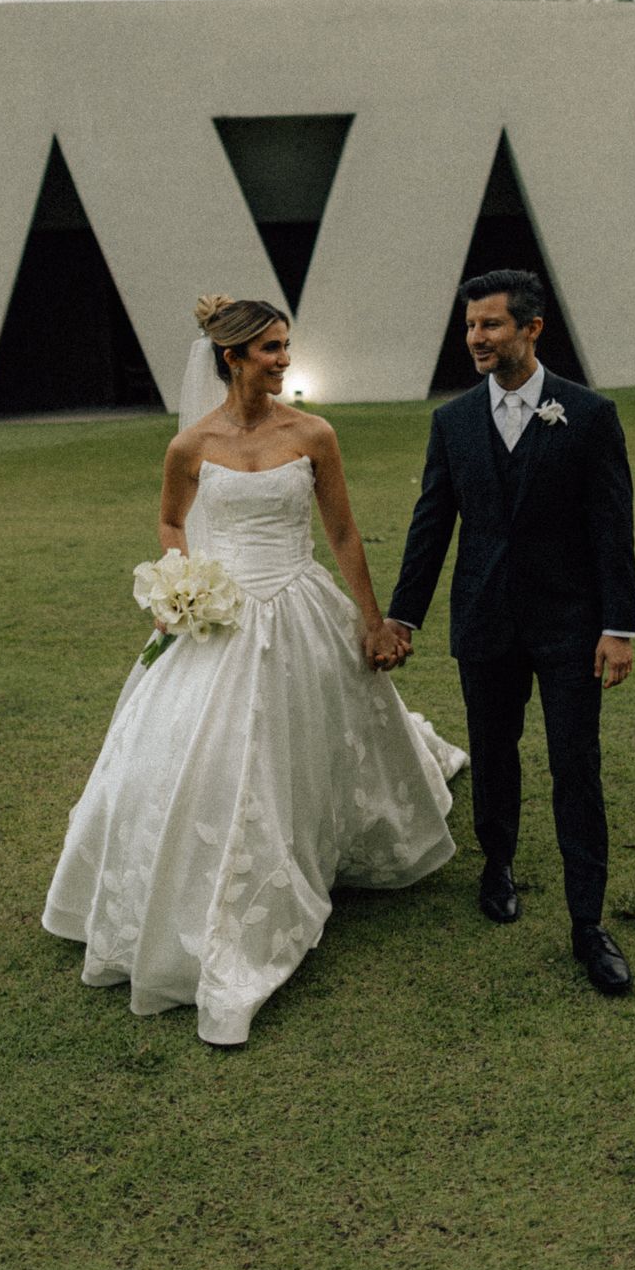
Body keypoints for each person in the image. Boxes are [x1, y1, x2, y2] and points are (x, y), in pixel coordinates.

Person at [42, 295, 466, 1046]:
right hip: (222, 614)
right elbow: (173, 522)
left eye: (285, 345)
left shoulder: (312, 433)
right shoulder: (190, 446)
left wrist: (371, 620)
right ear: (231, 357)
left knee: (305, 738)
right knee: (209, 755)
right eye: (269, 348)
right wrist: (181, 585)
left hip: (300, 603)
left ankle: (319, 847)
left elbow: (339, 530)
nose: (283, 360)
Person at [386, 269, 635, 995]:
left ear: (531, 329)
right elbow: (431, 525)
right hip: (484, 620)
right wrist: (403, 616)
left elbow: (610, 530)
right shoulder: (453, 421)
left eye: (490, 325)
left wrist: (617, 629)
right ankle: (495, 867)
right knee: (494, 755)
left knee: (574, 765)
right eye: (470, 326)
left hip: (570, 626)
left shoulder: (588, 415)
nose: (475, 338)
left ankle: (587, 925)